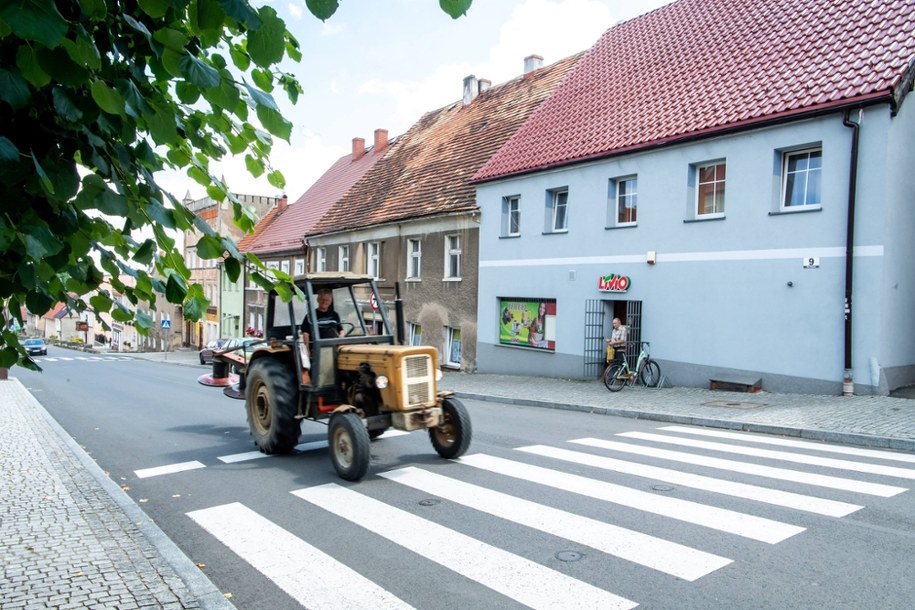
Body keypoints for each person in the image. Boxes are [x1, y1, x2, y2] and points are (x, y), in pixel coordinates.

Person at [299, 289, 344, 382]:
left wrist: (341, 340)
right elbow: (306, 334)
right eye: (322, 299)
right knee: (324, 373)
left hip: (334, 347)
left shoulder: (334, 315)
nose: (324, 302)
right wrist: (307, 350)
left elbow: (341, 330)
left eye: (327, 300)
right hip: (319, 348)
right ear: (318, 300)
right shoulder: (311, 315)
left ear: (330, 302)